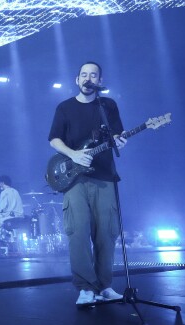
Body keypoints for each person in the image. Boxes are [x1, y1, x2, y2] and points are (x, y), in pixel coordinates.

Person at [48, 62, 127, 305]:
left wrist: (120, 141)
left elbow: (116, 134)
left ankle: (104, 285)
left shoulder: (108, 105)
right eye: (84, 74)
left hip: (104, 176)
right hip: (75, 180)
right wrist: (73, 154)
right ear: (77, 79)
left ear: (99, 81)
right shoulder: (65, 107)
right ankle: (85, 287)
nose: (87, 78)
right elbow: (54, 139)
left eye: (93, 75)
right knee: (78, 232)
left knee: (107, 233)